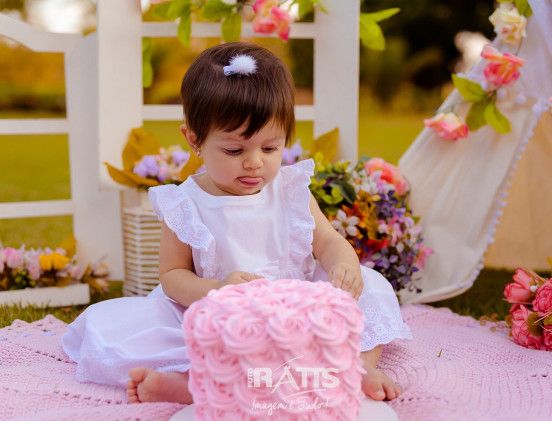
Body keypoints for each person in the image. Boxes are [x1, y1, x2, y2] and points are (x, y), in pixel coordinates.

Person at [62, 42, 411, 405]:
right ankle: (194, 384)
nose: (255, 162)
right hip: (226, 315)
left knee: (371, 286)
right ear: (194, 140)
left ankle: (359, 366)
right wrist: (217, 290)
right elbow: (172, 276)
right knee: (144, 332)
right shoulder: (186, 204)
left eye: (270, 148)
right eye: (234, 150)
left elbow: (327, 241)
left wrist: (343, 264)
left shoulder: (289, 190)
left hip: (298, 308)